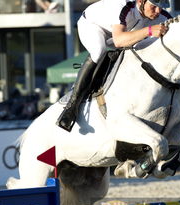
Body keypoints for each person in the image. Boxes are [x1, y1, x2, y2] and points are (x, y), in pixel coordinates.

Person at [56, 0, 172, 132]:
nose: (158, 11)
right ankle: (72, 106)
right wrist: (149, 30)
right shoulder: (124, 7)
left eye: (161, 7)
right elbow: (119, 41)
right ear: (141, 1)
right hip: (93, 26)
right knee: (98, 50)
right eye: (154, 6)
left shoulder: (162, 16)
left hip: (120, 33)